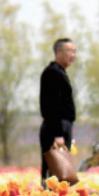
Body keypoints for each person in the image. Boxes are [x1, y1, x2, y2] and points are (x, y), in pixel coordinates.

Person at [40, 38, 77, 184]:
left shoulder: (60, 72)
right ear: (58, 52)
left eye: (74, 51)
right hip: (56, 127)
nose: (72, 55)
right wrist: (58, 134)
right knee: (55, 169)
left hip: (61, 126)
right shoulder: (53, 73)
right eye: (69, 51)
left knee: (61, 170)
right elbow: (52, 105)